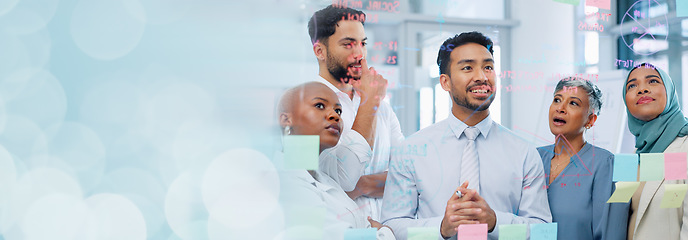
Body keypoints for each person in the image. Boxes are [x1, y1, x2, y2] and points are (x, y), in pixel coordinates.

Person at [380, 31, 551, 240]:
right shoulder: (410, 150)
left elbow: (542, 232)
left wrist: (495, 222)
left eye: (488, 67)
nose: (481, 77)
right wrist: (441, 227)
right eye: (468, 68)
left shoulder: (524, 153)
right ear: (445, 82)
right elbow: (391, 225)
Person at [307, 5, 405, 220]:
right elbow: (340, 180)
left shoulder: (382, 106)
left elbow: (408, 175)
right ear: (319, 51)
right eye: (348, 44)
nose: (359, 54)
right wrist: (369, 103)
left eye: (363, 43)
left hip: (387, 230)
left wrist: (363, 186)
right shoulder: (302, 106)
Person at [277, 82, 394, 240]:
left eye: (338, 110)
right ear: (286, 119)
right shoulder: (285, 184)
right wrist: (384, 232)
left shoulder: (325, 180)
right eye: (319, 106)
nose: (334, 115)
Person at [537, 77, 628, 240]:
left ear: (590, 120)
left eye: (573, 103)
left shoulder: (605, 164)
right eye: (557, 100)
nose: (560, 108)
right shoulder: (533, 158)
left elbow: (611, 233)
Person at [624, 63, 688, 240]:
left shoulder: (685, 146)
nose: (642, 89)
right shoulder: (633, 157)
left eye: (652, 81)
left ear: (669, 90)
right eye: (632, 85)